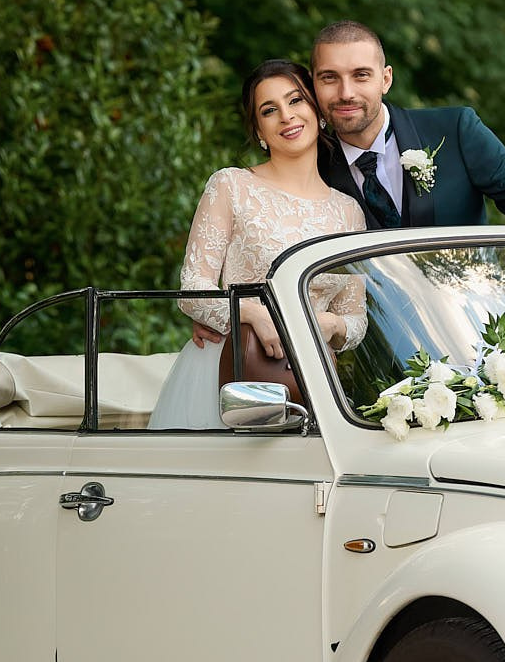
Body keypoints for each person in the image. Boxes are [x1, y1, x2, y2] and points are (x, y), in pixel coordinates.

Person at [148, 59, 368, 430]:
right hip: (232, 371)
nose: (286, 116)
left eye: (296, 101)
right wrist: (251, 314)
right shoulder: (231, 186)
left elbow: (356, 320)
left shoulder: (349, 212)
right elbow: (193, 291)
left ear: (317, 112)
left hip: (312, 380)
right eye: (269, 110)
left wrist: (328, 324)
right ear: (260, 131)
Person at [309, 20, 505, 244]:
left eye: (361, 75)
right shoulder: (311, 166)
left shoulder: (455, 130)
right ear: (314, 83)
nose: (345, 92)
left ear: (386, 79)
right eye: (329, 78)